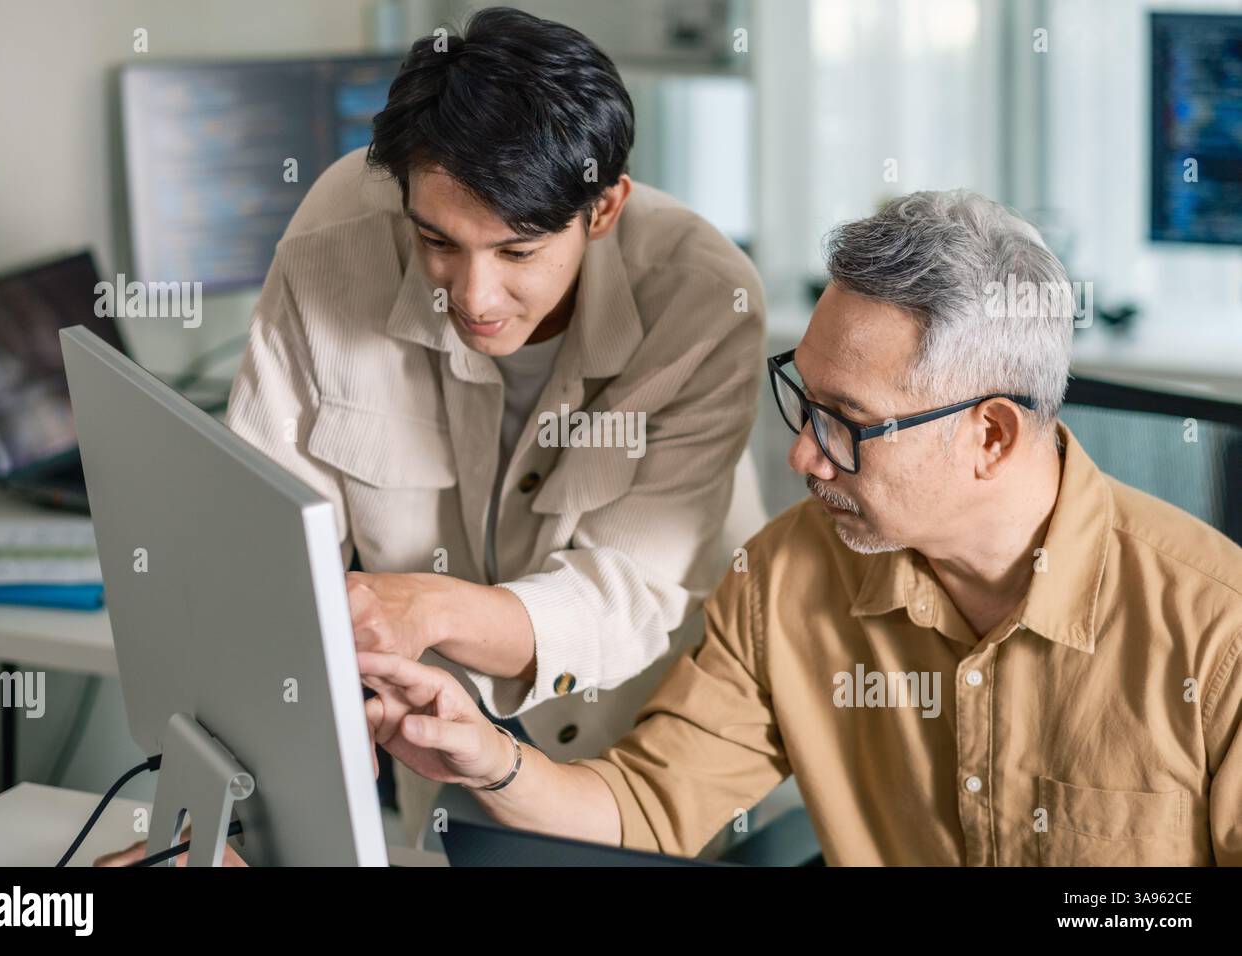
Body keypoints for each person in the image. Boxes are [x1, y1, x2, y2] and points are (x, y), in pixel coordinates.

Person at [356, 190, 1242, 866]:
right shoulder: (786, 575)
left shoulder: (1218, 633)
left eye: (847, 424)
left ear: (992, 436)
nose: (804, 459)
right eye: (804, 403)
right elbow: (651, 808)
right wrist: (485, 757)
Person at [222, 7, 764, 842]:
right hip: (429, 747)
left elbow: (631, 597)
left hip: (632, 754)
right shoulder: (339, 237)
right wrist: (228, 817)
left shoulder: (702, 300)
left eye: (517, 252)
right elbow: (261, 541)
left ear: (605, 208)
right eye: (437, 241)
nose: (471, 298)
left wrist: (431, 609)